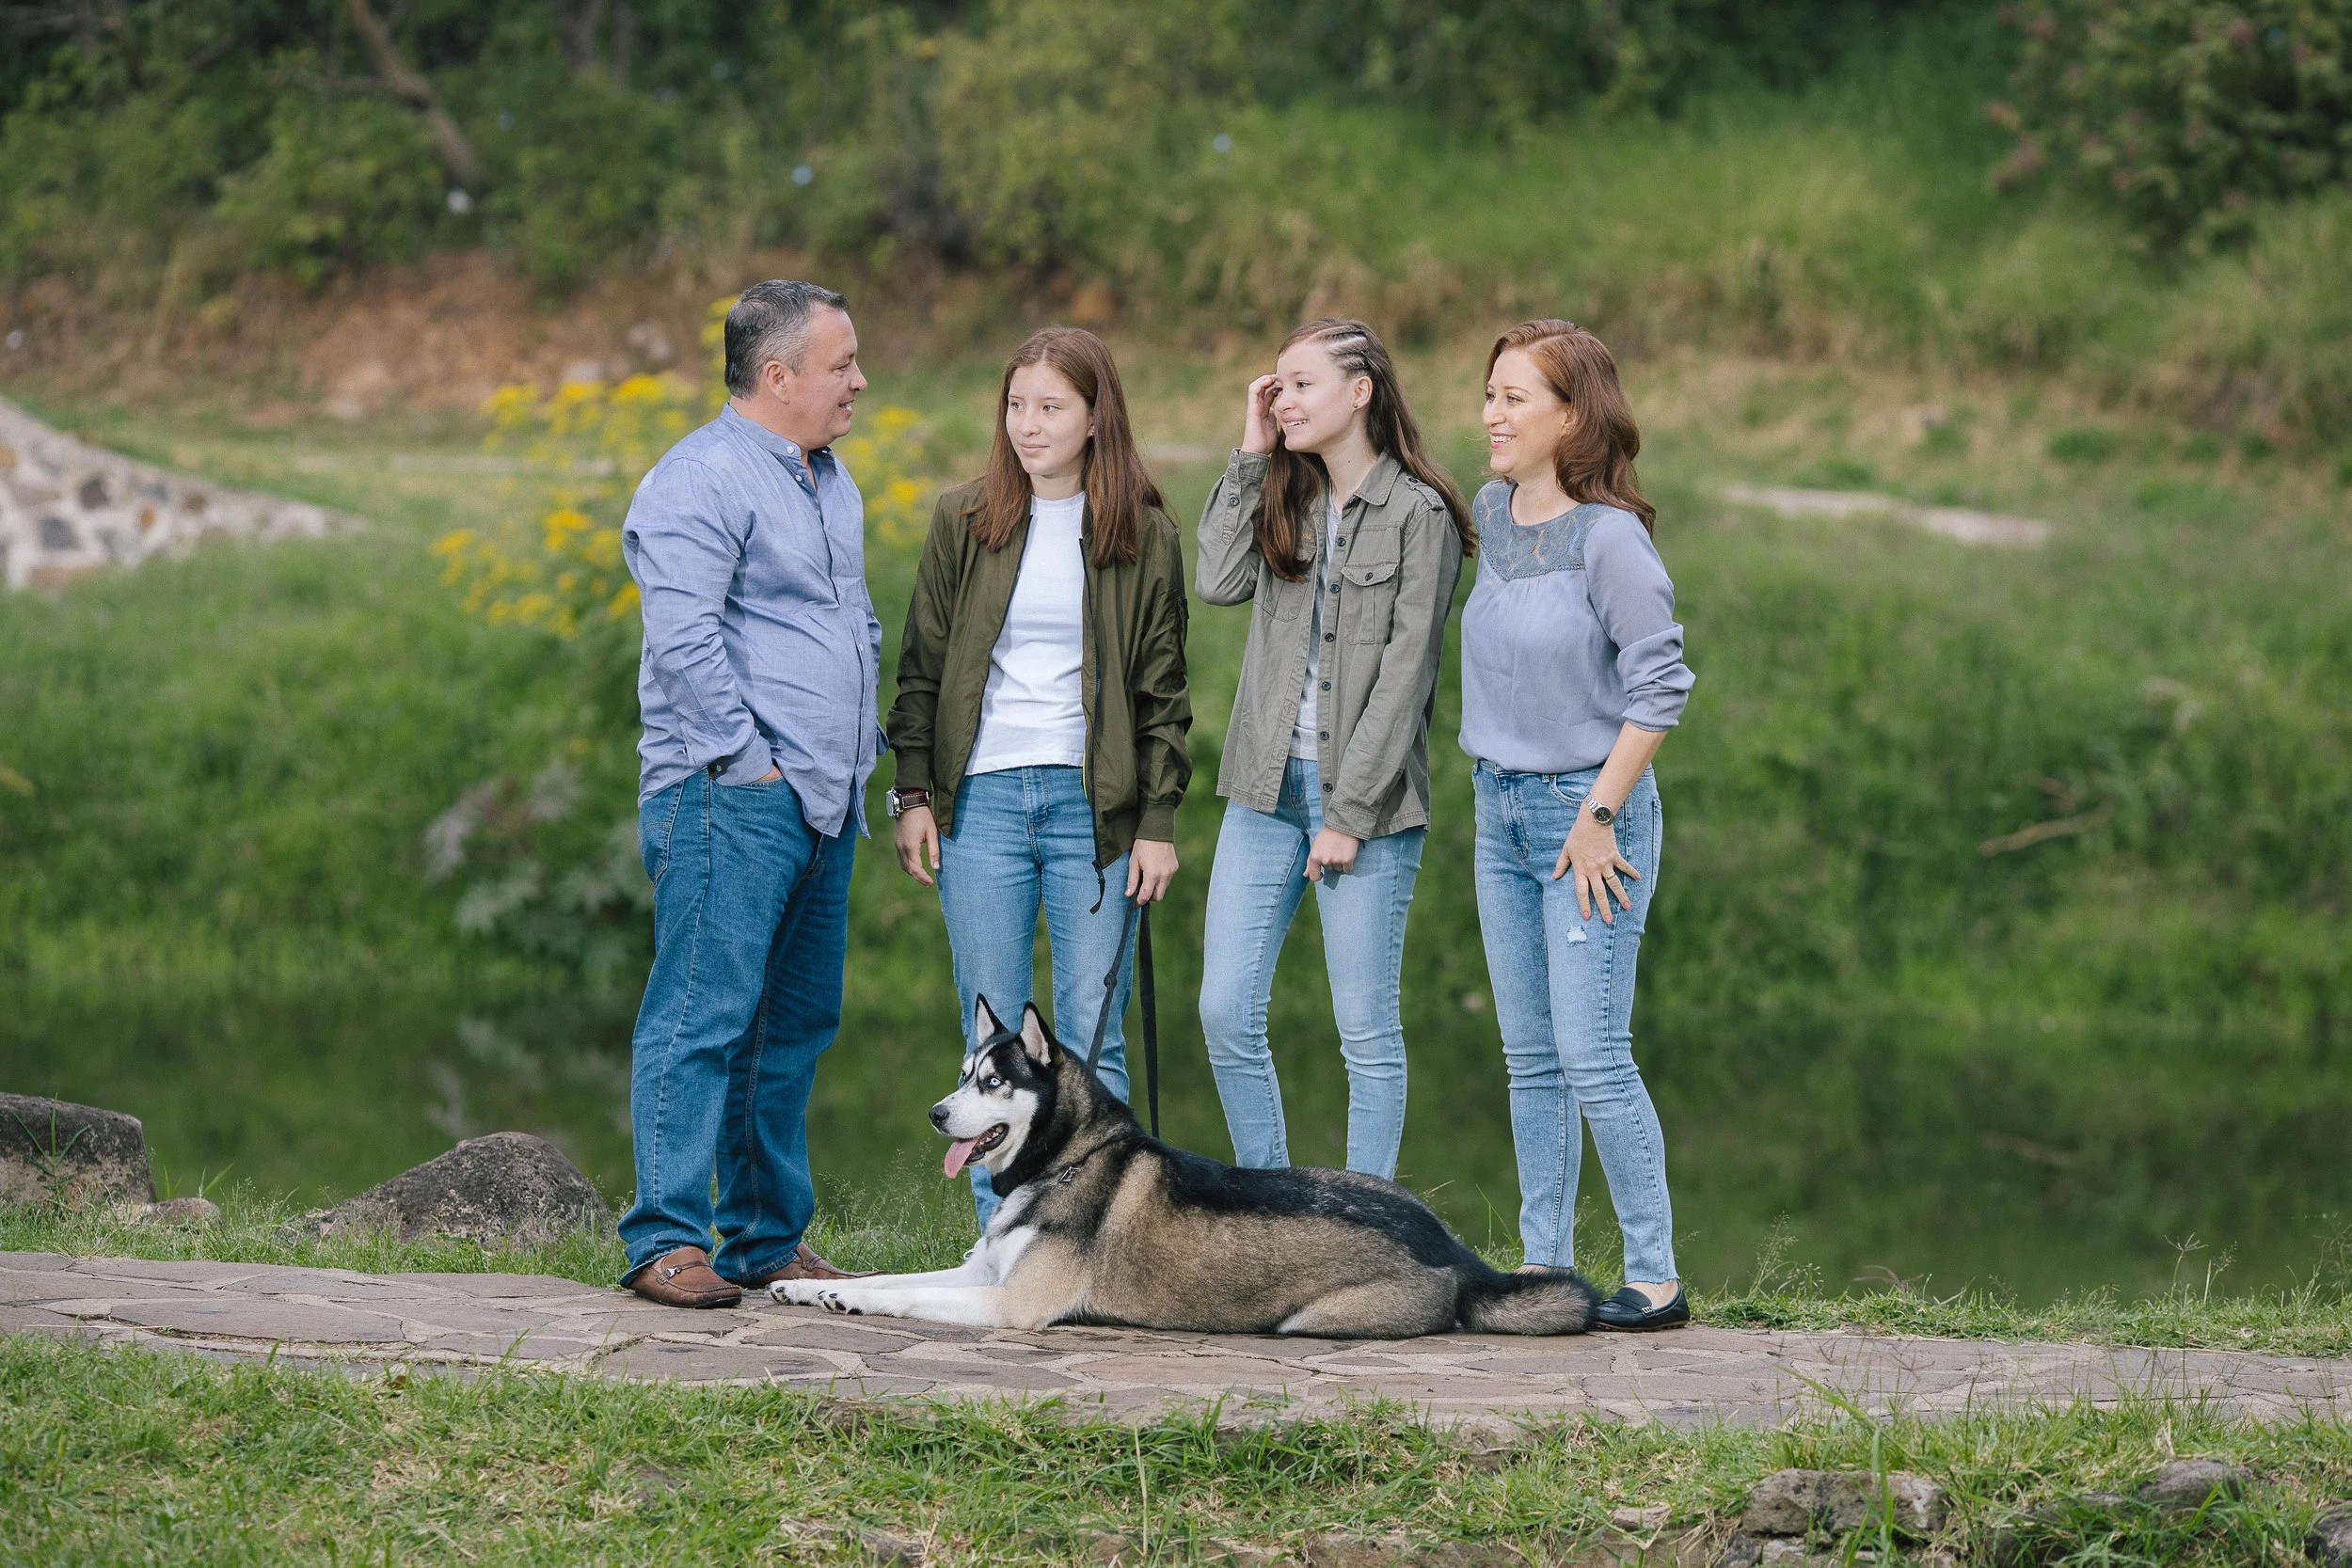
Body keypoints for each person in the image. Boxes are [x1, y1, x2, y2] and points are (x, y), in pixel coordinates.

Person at [614, 279, 882, 1308]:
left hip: (822, 800)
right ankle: (665, 1237)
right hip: (731, 793)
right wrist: (747, 761)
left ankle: (764, 1237)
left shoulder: (828, 480)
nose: (858, 380)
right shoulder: (696, 481)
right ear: (778, 376)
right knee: (701, 1014)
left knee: (794, 1024)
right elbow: (683, 639)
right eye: (841, 364)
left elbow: (850, 626)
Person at [886, 326, 1192, 1226]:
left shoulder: (1144, 534)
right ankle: (1002, 1240)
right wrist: (913, 791)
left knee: (1094, 1045)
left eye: (1051, 406)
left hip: (1093, 812)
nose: (1028, 424)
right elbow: (922, 667)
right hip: (980, 804)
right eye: (1016, 405)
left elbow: (1162, 693)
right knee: (986, 1040)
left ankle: (1101, 1240)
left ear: (1097, 417)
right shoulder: (964, 519)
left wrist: (1158, 820)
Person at [1194, 317, 1472, 1180]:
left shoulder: (1419, 515)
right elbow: (1216, 579)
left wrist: (1347, 815)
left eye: (1301, 384)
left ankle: (1366, 1223)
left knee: (1366, 1029)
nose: (1282, 400)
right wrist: (1250, 453)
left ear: (1362, 392)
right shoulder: (1287, 493)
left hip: (1369, 805)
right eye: (1274, 385)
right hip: (1263, 788)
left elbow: (1406, 675)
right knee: (1225, 1009)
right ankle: (1273, 1204)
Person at [1461, 319, 1696, 1331]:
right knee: (1529, 1056)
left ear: (1571, 414)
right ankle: (1544, 1268)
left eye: (1515, 396)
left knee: (1592, 1048)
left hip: (1583, 814)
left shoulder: (1612, 541)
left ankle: (1655, 1275)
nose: (1491, 414)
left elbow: (1661, 688)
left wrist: (1600, 814)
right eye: (1489, 393)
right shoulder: (1490, 512)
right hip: (1498, 807)